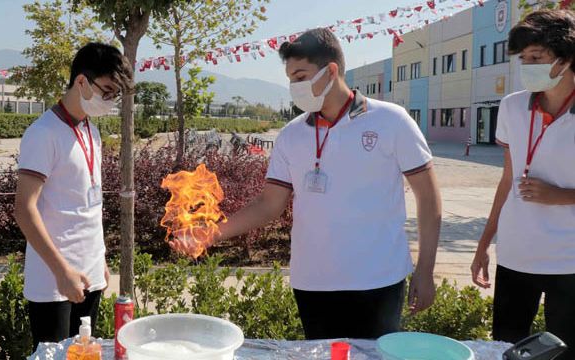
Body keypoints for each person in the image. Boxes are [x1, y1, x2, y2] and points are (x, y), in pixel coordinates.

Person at [212, 28, 442, 340]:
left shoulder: (391, 121)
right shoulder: (292, 135)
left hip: (377, 281)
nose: (295, 86)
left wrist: (425, 270)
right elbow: (269, 204)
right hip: (312, 284)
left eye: (301, 76)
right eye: (291, 79)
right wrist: (212, 232)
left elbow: (428, 198)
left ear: (331, 71)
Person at [470, 9, 575, 359]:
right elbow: (507, 180)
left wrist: (559, 196)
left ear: (566, 58)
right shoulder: (512, 107)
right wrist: (484, 243)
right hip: (516, 256)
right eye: (523, 58)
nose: (527, 65)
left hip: (568, 261)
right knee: (507, 349)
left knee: (564, 352)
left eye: (537, 57)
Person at [14, 42, 133, 349]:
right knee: (54, 355)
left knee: (84, 353)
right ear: (81, 81)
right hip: (54, 280)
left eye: (115, 95)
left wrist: (100, 258)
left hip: (89, 273)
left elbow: (88, 203)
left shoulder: (90, 131)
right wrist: (61, 270)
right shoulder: (44, 133)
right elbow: (24, 210)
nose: (110, 100)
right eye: (106, 91)